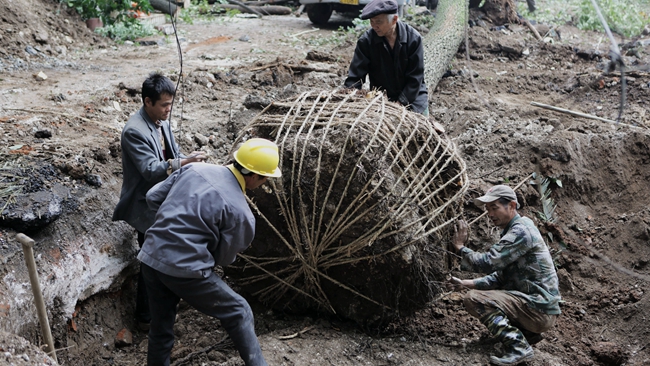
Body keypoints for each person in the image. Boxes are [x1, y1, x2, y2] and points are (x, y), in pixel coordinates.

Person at [138, 138, 282, 366]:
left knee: (161, 326)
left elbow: (153, 197)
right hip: (184, 269)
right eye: (265, 178)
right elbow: (225, 258)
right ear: (254, 176)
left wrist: (170, 227)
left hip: (151, 255)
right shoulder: (241, 212)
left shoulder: (193, 169)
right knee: (240, 310)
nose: (264, 183)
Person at [112, 72, 205, 331]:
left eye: (170, 104)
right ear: (147, 102)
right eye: (164, 105)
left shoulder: (161, 121)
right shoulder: (134, 131)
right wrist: (182, 163)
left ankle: (164, 303)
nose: (168, 110)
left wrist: (190, 158)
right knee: (150, 263)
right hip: (145, 205)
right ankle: (145, 318)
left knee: (163, 256)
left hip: (163, 198)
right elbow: (151, 169)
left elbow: (173, 155)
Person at [449, 185, 561, 365]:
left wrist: (461, 248)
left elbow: (488, 263)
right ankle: (526, 334)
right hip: (536, 306)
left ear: (512, 205)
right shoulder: (516, 229)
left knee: (474, 299)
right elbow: (499, 277)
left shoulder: (520, 231)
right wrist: (466, 282)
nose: (490, 214)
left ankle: (518, 346)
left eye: (494, 208)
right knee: (479, 292)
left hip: (537, 309)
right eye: (487, 209)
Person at [344, 0, 428, 115]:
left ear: (394, 20)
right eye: (371, 21)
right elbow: (355, 78)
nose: (374, 26)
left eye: (378, 21)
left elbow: (415, 78)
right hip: (381, 98)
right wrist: (350, 98)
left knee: (421, 127)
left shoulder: (413, 39)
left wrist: (400, 104)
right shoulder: (366, 42)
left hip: (412, 98)